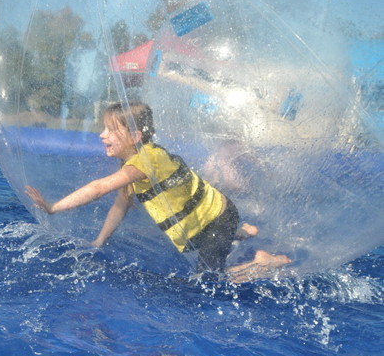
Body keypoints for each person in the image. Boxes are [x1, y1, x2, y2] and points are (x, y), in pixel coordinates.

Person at [26, 101, 291, 283]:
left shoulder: (147, 161)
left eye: (111, 130)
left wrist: (53, 207)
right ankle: (242, 232)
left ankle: (263, 263)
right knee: (206, 241)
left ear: (135, 136)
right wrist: (99, 241)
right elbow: (120, 206)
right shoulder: (133, 164)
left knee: (210, 282)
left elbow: (99, 188)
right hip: (207, 221)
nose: (102, 135)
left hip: (216, 220)